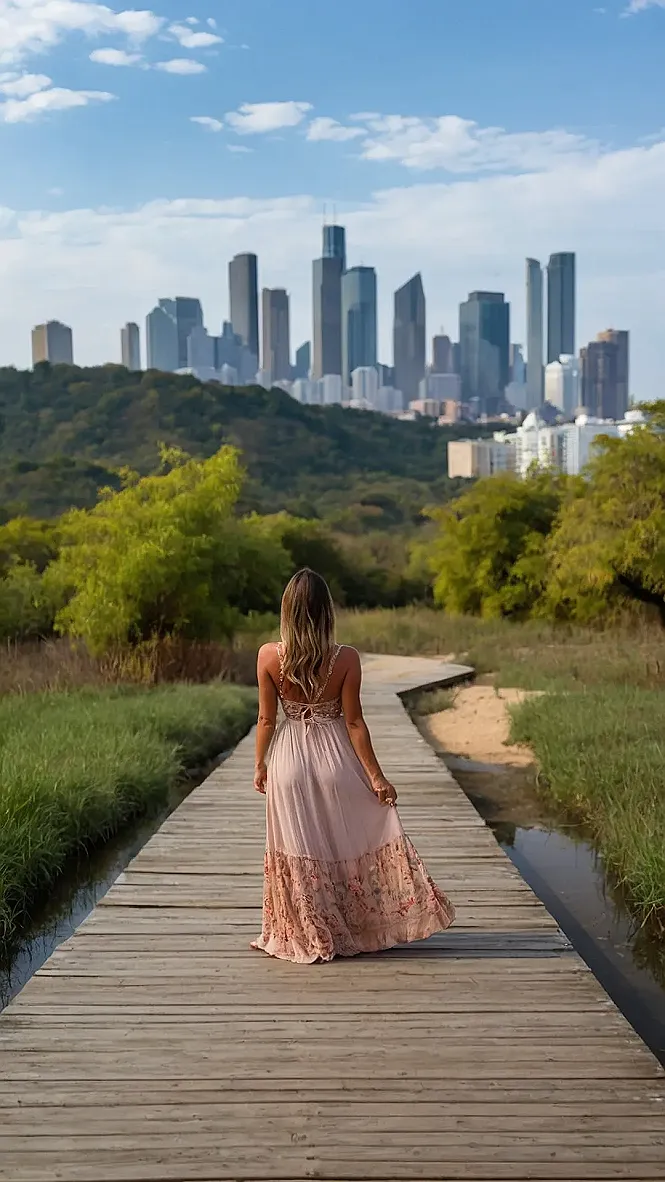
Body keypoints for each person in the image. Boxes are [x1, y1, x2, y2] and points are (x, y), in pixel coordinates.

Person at [251, 568, 455, 964]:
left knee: (298, 846)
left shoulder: (267, 656)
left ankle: (306, 926)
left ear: (286, 611)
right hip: (335, 760)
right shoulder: (345, 658)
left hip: (288, 762)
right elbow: (355, 722)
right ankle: (351, 921)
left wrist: (260, 764)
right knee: (340, 841)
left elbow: (266, 721)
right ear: (327, 611)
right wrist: (377, 778)